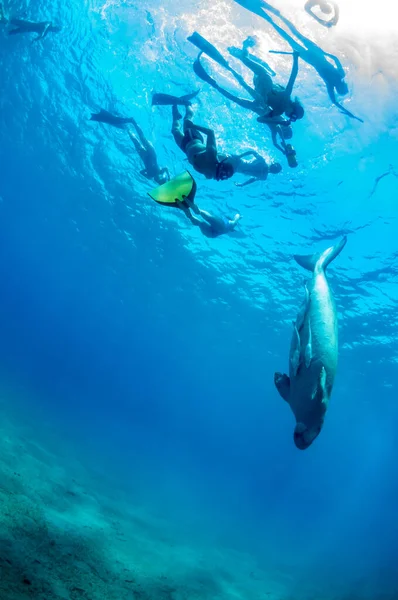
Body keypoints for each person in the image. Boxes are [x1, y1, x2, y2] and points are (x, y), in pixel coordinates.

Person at [232, 0, 363, 122]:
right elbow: (335, 60)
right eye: (341, 88)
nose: (340, 87)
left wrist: (350, 113)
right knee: (295, 35)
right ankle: (278, 18)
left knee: (291, 39)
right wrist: (324, 53)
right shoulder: (339, 76)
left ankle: (272, 21)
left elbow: (334, 100)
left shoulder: (331, 83)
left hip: (313, 56)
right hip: (316, 53)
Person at [152, 92, 235, 181]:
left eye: (222, 176)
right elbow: (211, 132)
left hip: (185, 148)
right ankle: (188, 104)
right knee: (187, 120)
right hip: (193, 139)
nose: (219, 175)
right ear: (221, 165)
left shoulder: (209, 175)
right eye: (222, 173)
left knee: (175, 131)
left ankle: (175, 111)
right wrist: (193, 126)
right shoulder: (212, 154)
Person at [148, 170, 241, 238]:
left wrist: (239, 216)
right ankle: (184, 206)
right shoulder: (230, 227)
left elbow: (236, 217)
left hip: (221, 228)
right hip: (212, 235)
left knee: (202, 214)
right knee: (198, 222)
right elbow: (235, 219)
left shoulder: (230, 224)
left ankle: (190, 204)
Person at [228, 41, 304, 122]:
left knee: (257, 103)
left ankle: (244, 54)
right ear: (294, 108)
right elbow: (293, 76)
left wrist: (280, 122)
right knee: (245, 60)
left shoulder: (278, 112)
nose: (289, 116)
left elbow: (260, 119)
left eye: (291, 118)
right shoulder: (286, 95)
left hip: (258, 86)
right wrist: (295, 59)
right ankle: (246, 45)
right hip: (264, 77)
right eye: (292, 115)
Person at [90, 110, 170, 185]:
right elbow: (166, 169)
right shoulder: (159, 172)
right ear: (162, 179)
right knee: (142, 138)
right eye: (161, 180)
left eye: (159, 181)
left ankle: (128, 129)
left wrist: (147, 171)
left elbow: (141, 172)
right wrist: (169, 178)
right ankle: (133, 122)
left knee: (135, 140)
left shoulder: (151, 176)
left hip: (145, 157)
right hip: (151, 155)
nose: (158, 179)